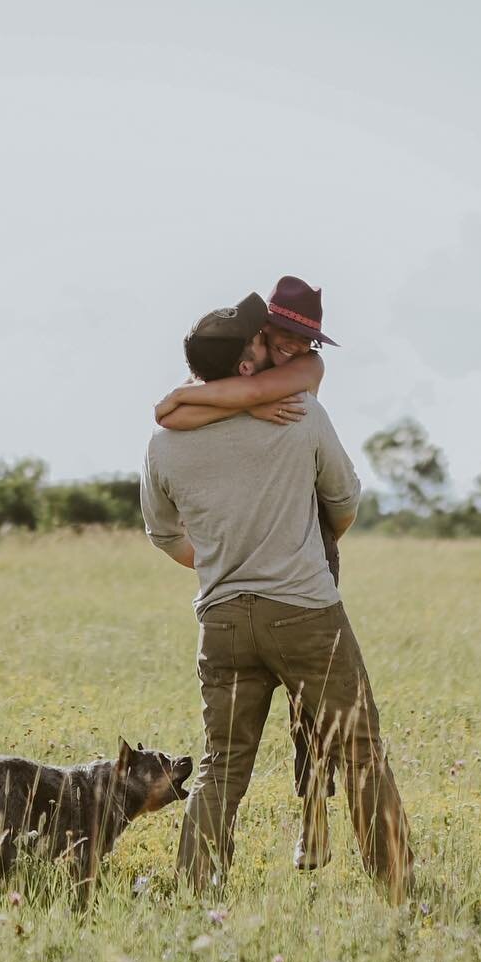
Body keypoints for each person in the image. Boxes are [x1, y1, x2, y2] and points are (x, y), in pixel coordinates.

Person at [140, 293, 412, 903]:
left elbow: (163, 534)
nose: (272, 345)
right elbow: (343, 501)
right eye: (260, 342)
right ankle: (397, 890)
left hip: (223, 621)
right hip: (306, 613)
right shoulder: (301, 414)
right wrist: (303, 552)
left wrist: (218, 564)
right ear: (244, 366)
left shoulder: (163, 444)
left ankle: (195, 894)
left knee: (221, 766)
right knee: (362, 753)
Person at [151, 277, 343, 867]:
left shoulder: (304, 378)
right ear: (259, 336)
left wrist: (239, 399)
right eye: (280, 335)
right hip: (250, 572)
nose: (290, 347)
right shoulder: (244, 382)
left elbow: (172, 413)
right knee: (233, 749)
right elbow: (169, 410)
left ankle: (313, 823)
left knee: (312, 721)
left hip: (302, 558)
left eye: (303, 339)